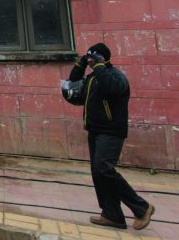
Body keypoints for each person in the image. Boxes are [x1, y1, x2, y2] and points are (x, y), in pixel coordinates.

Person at [65, 43, 155, 230]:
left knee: (104, 169)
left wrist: (99, 66)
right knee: (99, 173)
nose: (90, 62)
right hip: (95, 130)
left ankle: (142, 207)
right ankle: (112, 214)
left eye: (93, 59)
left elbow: (110, 89)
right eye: (88, 59)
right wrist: (81, 64)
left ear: (102, 59)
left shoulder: (116, 76)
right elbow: (73, 83)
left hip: (111, 131)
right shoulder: (93, 78)